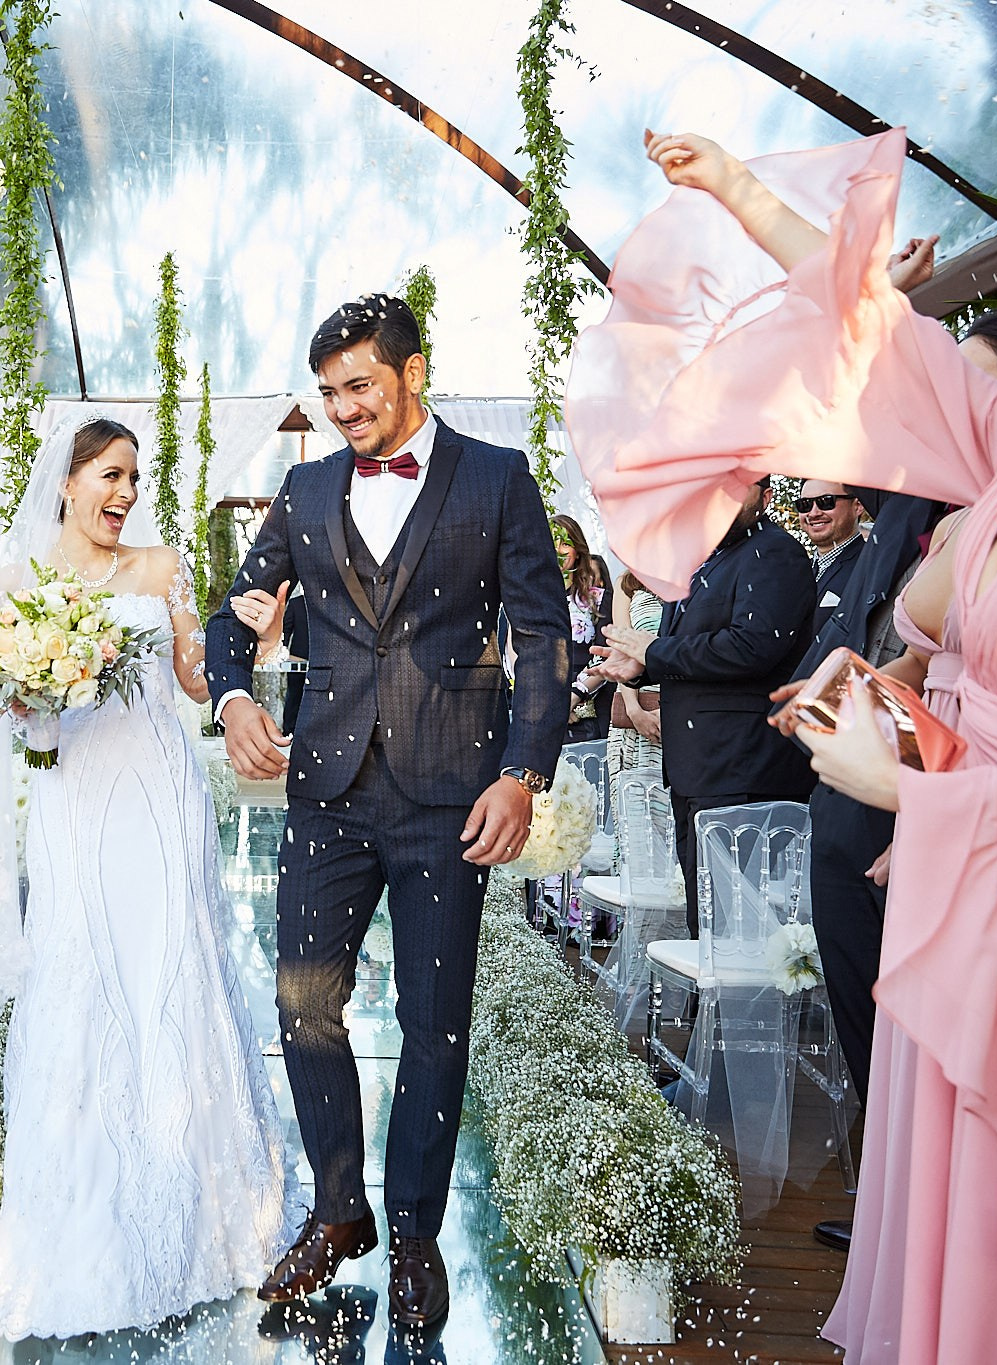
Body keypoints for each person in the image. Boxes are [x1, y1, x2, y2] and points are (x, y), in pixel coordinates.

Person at [578, 126, 997, 1364]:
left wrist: (910, 797)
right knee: (946, 1217)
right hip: (958, 892)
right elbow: (868, 319)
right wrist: (735, 187)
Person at [209, 294, 573, 1335]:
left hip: (448, 796)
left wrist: (523, 773)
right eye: (326, 392)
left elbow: (543, 638)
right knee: (303, 1004)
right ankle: (337, 1212)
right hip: (325, 789)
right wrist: (234, 693)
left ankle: (412, 1231)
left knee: (431, 1021)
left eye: (358, 386)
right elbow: (231, 618)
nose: (341, 410)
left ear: (412, 374)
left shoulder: (497, 479)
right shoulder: (304, 487)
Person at [0, 413, 294, 1340]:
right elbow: (3, 713)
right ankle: (84, 1229)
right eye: (110, 473)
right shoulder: (18, 583)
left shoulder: (162, 566)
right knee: (82, 979)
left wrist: (249, 644)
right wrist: (31, 690)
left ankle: (199, 1218)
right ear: (67, 480)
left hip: (159, 799)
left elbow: (190, 677)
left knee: (170, 975)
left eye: (134, 477)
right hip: (73, 803)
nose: (126, 493)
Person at [789, 307, 997, 1257]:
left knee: (933, 1020)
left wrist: (918, 813)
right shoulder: (939, 508)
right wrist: (839, 695)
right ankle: (902, 1203)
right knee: (874, 1011)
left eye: (966, 378)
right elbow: (909, 661)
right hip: (882, 782)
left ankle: (943, 1223)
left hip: (956, 800)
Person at [591, 475, 816, 931]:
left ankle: (733, 1005)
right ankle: (704, 1003)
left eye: (737, 489)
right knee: (706, 913)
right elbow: (693, 645)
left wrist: (652, 651)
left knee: (739, 921)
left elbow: (752, 646)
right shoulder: (706, 556)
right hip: (699, 764)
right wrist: (641, 666)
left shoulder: (775, 552)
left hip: (743, 766)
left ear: (766, 496)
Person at [553, 513, 613, 741]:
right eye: (552, 542)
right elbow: (515, 652)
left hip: (588, 709)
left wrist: (573, 696)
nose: (558, 549)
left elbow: (606, 654)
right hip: (543, 708)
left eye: (565, 543)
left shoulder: (598, 599)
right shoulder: (532, 602)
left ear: (578, 550)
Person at [606, 570, 664, 775]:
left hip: (679, 706)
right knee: (634, 801)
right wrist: (634, 711)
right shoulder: (626, 582)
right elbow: (622, 648)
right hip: (635, 707)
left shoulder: (693, 575)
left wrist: (672, 709)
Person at [796, 479, 865, 631]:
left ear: (857, 506)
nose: (813, 513)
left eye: (826, 502)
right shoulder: (795, 570)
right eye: (805, 505)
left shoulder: (869, 566)